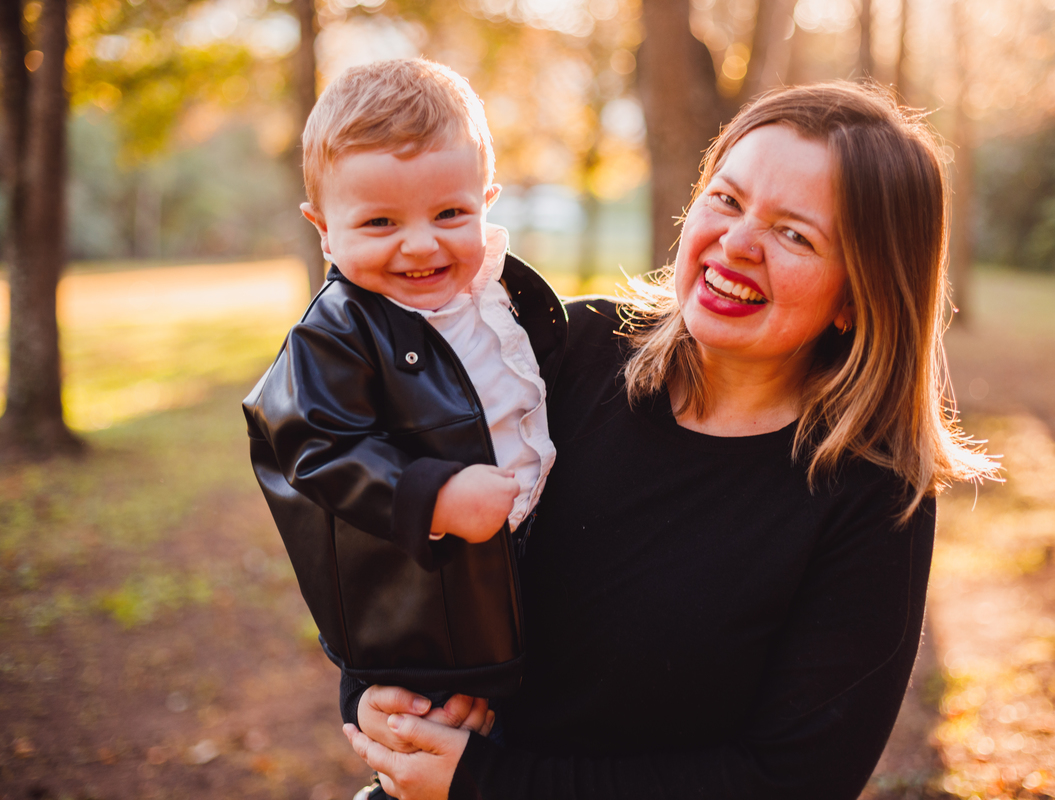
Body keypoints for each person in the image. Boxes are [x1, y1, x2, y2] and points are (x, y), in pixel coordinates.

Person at [340, 82, 999, 800]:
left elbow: (793, 780)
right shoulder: (560, 351)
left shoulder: (871, 496)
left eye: (794, 234)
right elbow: (388, 532)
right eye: (726, 199)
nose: (737, 242)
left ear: (856, 295)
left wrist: (488, 783)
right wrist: (378, 692)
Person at [242, 58, 565, 708]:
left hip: (529, 569)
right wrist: (434, 496)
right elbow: (313, 445)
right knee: (437, 750)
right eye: (381, 223)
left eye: (449, 213)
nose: (420, 246)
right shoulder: (337, 333)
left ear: (487, 202)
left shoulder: (499, 295)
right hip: (431, 629)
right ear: (324, 229)